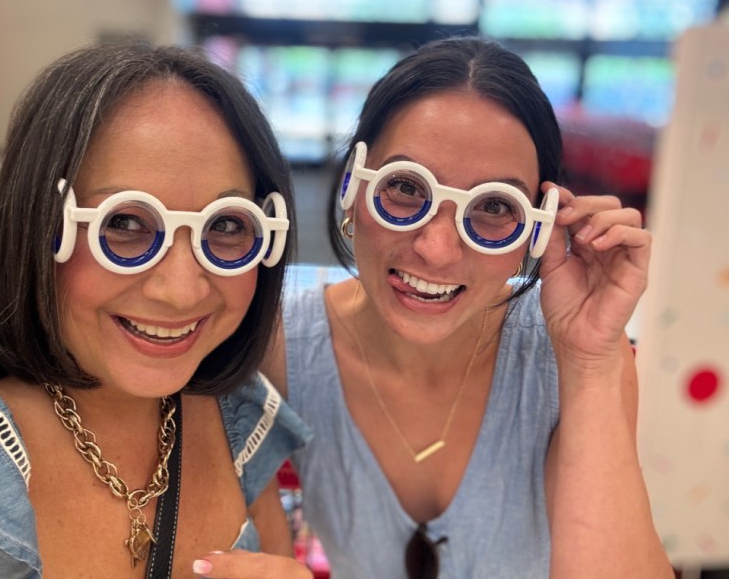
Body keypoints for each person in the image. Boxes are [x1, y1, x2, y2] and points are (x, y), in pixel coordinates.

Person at [0, 43, 315, 578]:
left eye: (226, 225)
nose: (181, 292)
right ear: (39, 220)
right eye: (124, 223)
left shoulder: (234, 412)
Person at [262, 36, 674, 578]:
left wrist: (590, 360)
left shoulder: (574, 355)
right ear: (351, 189)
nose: (436, 249)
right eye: (405, 187)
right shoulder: (281, 347)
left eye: (494, 206)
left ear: (538, 228)